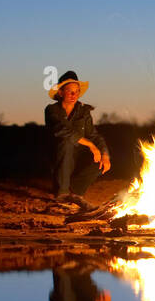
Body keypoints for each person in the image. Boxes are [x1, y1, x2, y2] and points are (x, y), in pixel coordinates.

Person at [44, 69, 111, 206]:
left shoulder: (84, 111)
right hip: (58, 155)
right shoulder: (52, 110)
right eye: (70, 91)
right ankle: (62, 193)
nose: (74, 95)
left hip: (78, 155)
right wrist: (91, 145)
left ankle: (76, 193)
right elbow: (62, 131)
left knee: (99, 161)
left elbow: (94, 135)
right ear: (61, 92)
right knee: (67, 143)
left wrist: (105, 154)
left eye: (77, 91)